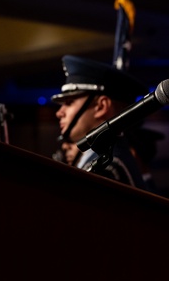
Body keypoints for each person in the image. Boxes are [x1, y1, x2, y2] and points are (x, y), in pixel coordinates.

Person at [52, 55, 149, 189]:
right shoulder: (101, 159)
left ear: (101, 107)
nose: (59, 112)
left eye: (69, 102)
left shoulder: (107, 167)